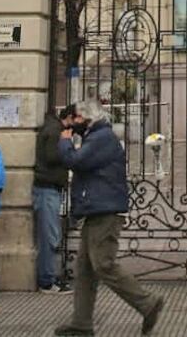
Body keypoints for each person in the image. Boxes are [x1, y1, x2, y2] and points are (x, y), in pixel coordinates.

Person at [53, 99, 165, 337]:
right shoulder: (95, 136)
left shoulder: (102, 138)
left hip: (105, 211)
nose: (73, 123)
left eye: (77, 119)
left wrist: (64, 142)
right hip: (95, 208)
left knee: (103, 264)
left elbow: (75, 161)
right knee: (84, 268)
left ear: (88, 118)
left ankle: (147, 302)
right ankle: (81, 323)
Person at [35, 103, 74, 294]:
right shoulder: (55, 130)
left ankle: (48, 276)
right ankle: (47, 280)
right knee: (49, 236)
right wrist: (68, 146)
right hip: (47, 188)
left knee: (50, 234)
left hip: (50, 187)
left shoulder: (54, 128)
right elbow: (51, 156)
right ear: (71, 118)